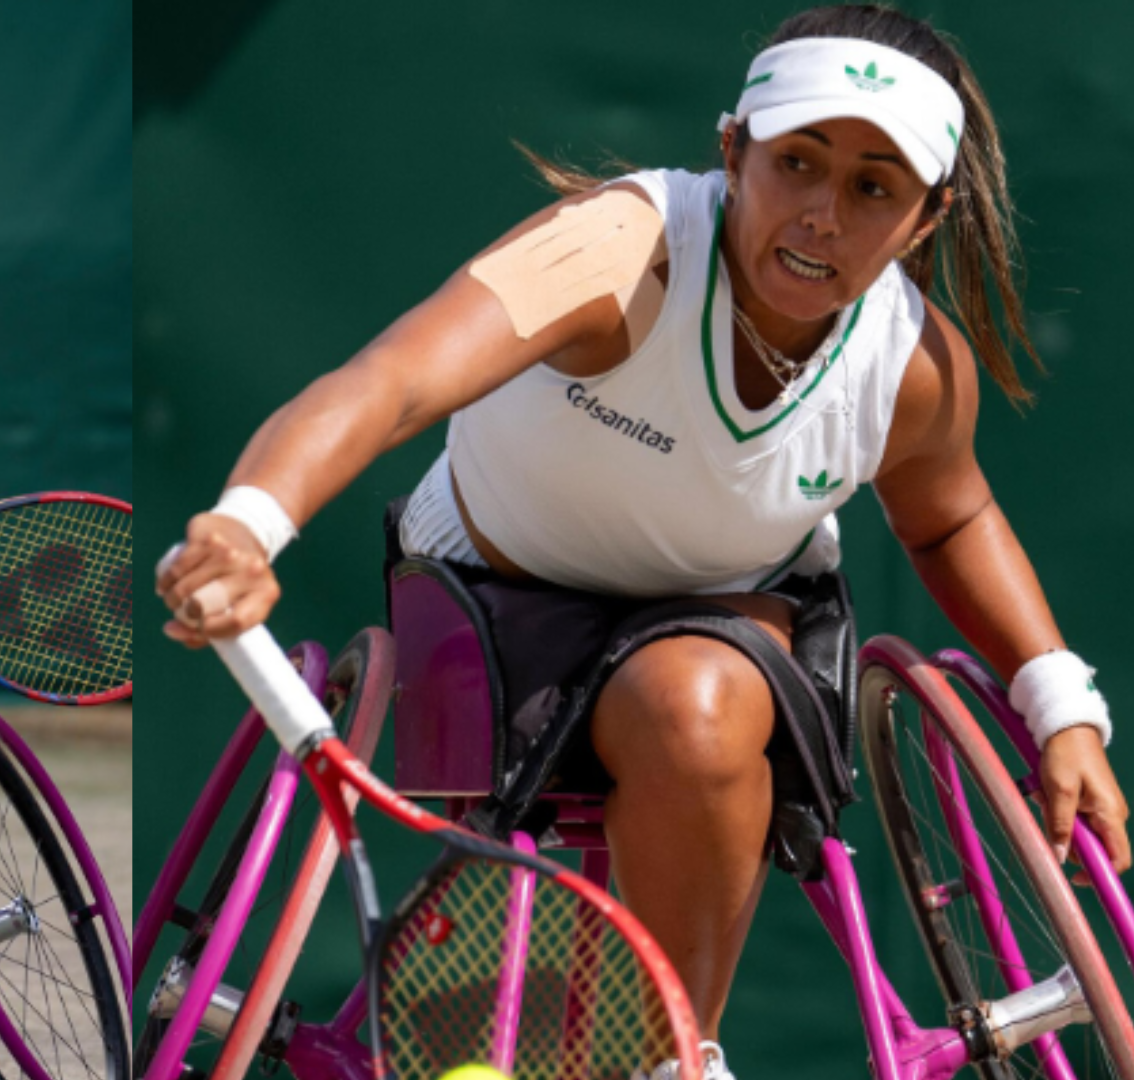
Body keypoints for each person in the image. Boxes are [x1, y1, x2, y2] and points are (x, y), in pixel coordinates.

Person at [155, 7, 1130, 1077]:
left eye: (872, 188)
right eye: (797, 161)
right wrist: (247, 526)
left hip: (727, 623)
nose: (820, 216)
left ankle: (667, 1057)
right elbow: (391, 384)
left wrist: (1059, 704)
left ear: (924, 217)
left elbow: (952, 520)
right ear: (733, 149)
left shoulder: (913, 369)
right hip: (491, 604)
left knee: (696, 706)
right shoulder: (618, 251)